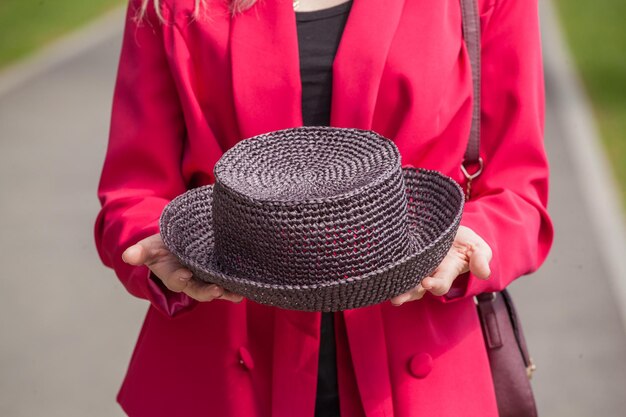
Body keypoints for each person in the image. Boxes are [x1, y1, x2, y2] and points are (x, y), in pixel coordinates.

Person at [94, 0, 553, 415]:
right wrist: (160, 250)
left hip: (422, 375)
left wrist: (463, 245)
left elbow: (518, 189)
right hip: (223, 377)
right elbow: (133, 192)